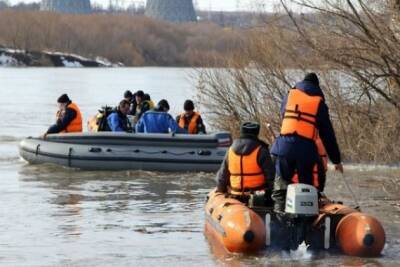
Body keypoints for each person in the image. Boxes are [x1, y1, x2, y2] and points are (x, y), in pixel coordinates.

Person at [271, 73, 343, 214]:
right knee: (306, 189)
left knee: (281, 187)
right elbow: (328, 135)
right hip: (305, 149)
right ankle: (307, 224)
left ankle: (279, 220)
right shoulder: (319, 103)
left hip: (283, 147)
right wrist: (336, 160)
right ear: (317, 87)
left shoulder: (289, 95)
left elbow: (284, 114)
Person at [216, 122, 275, 206]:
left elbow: (222, 177)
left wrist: (221, 191)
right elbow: (271, 178)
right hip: (259, 198)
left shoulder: (230, 150)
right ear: (256, 133)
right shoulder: (262, 150)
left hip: (235, 197)